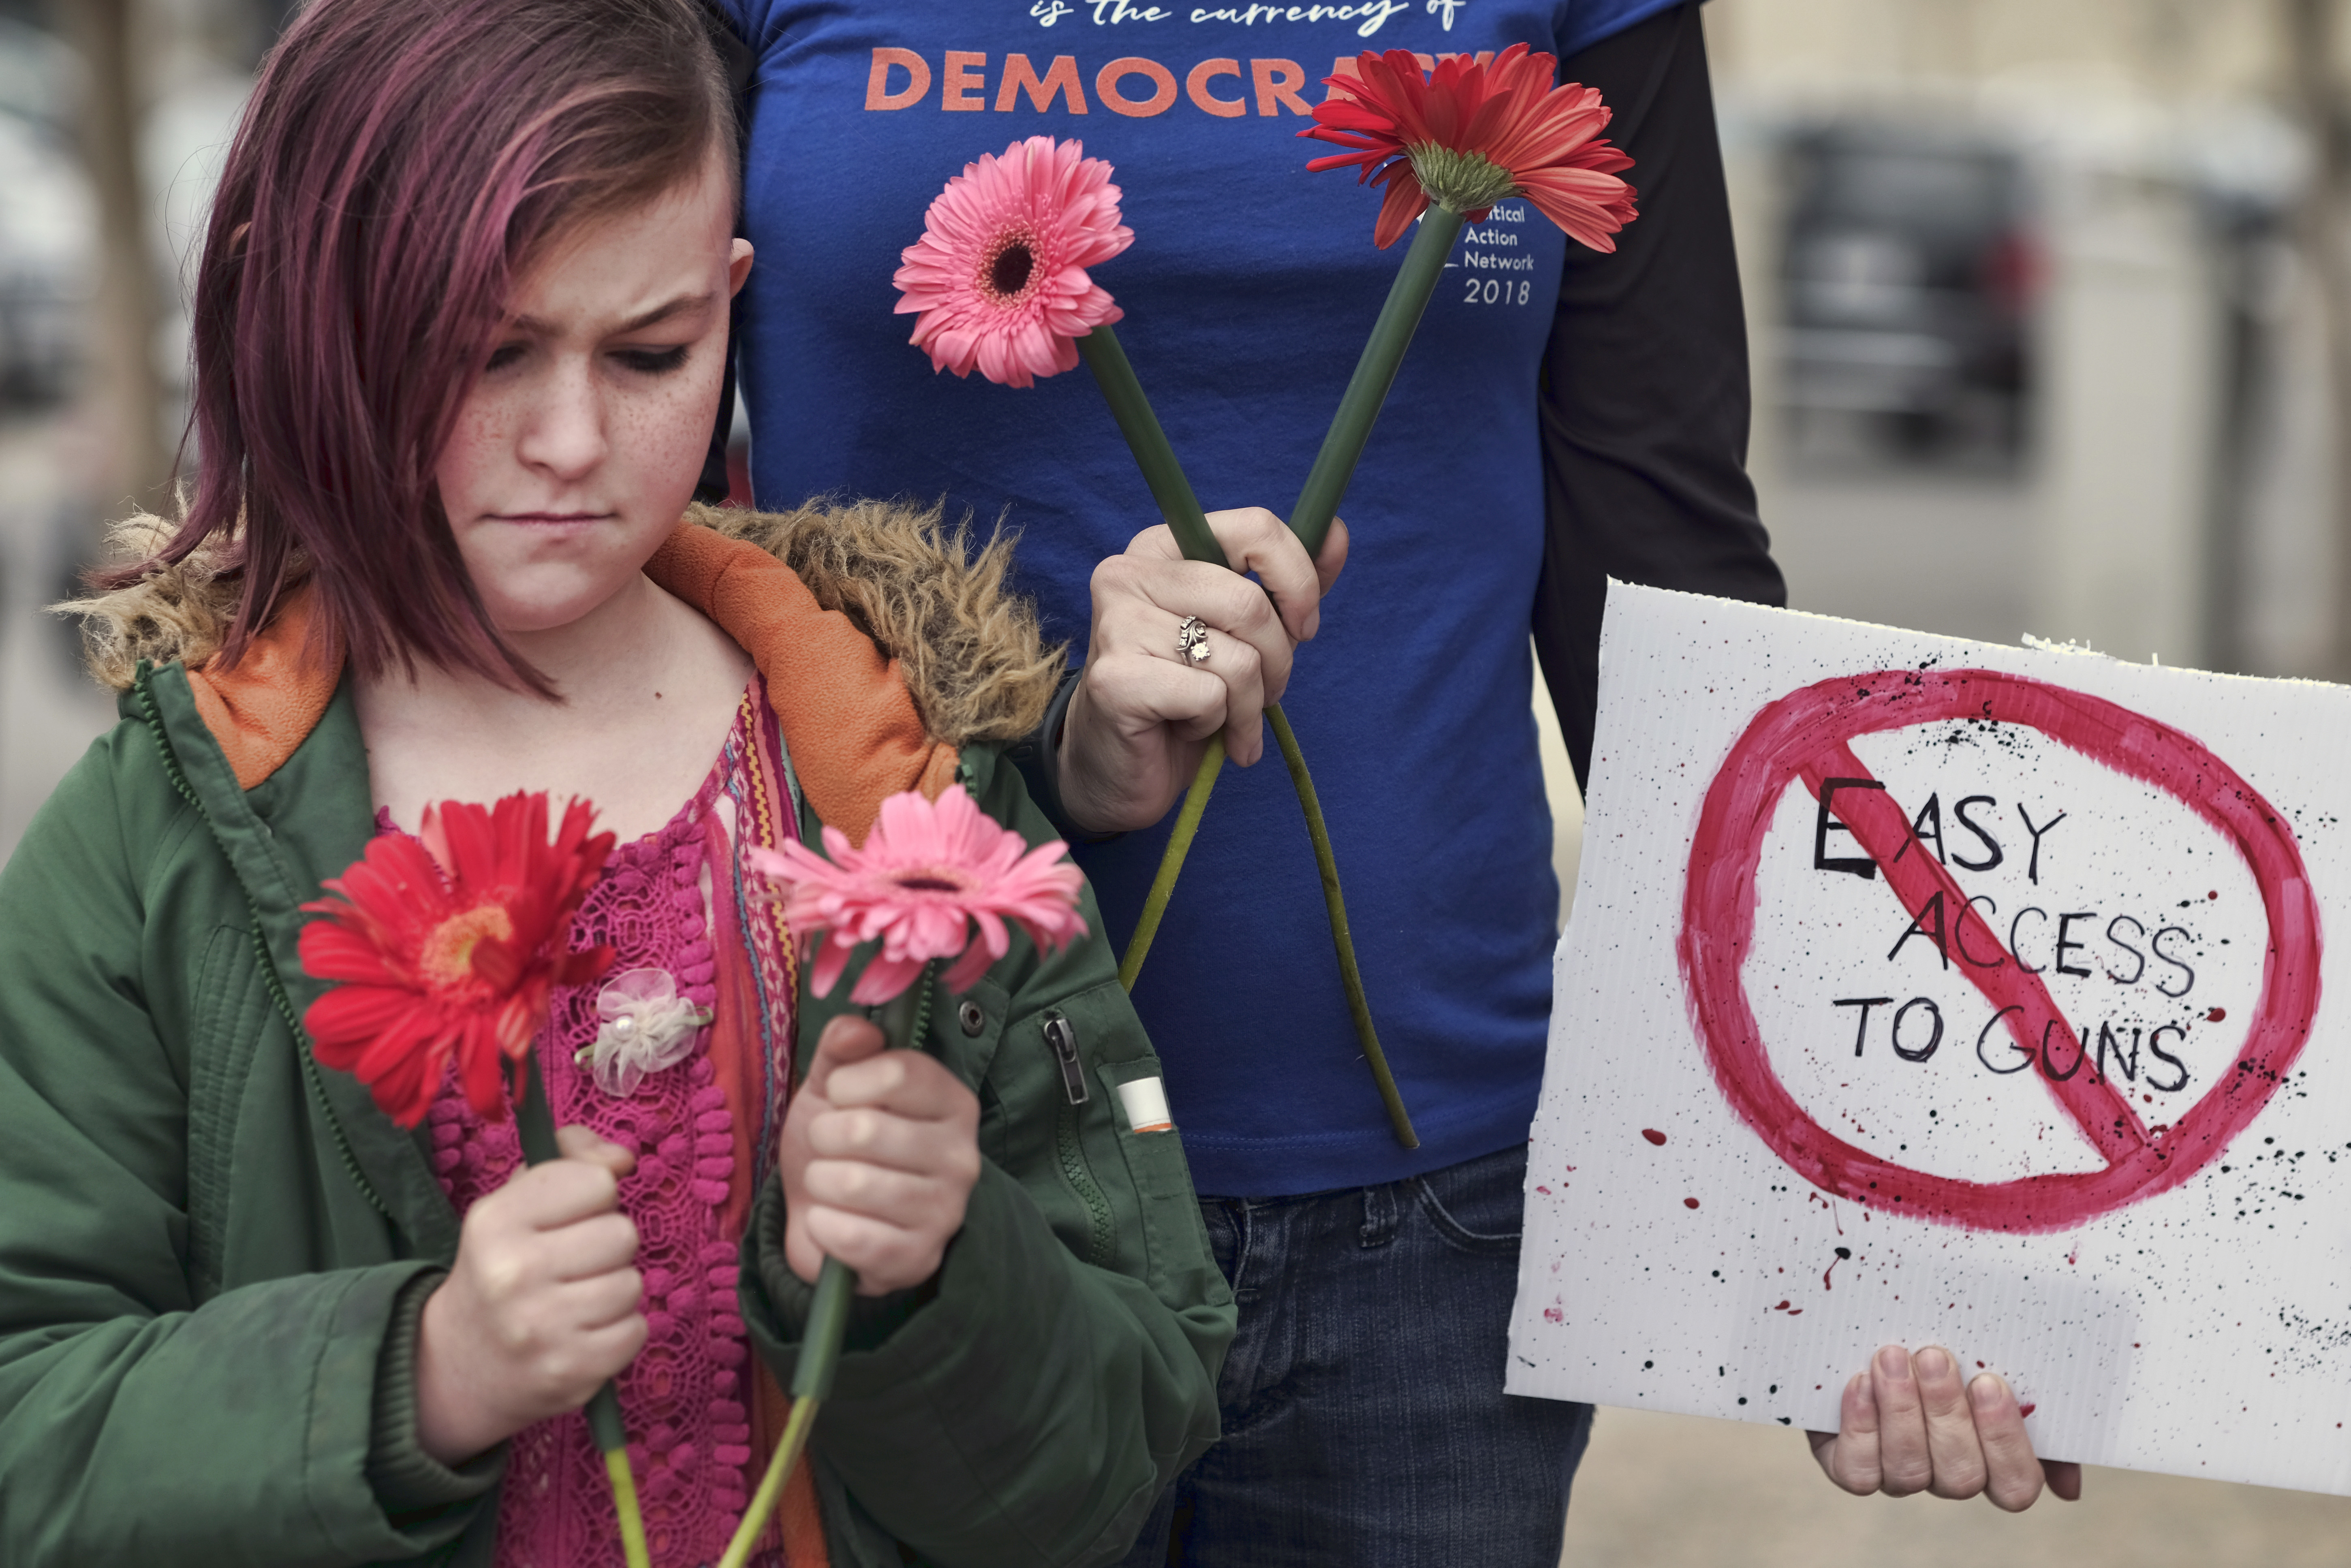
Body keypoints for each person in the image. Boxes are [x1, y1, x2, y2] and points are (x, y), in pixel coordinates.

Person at [711, 0, 2070, 1557]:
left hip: (1431, 1204)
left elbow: (1666, 566)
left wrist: (1846, 1193)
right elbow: (626, 498)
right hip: (909, 1146)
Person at [0, 2, 1231, 1564]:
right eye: (487, 351)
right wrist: (418, 1378)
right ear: (311, 311)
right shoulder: (158, 835)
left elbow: (1116, 1448)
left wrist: (937, 1276)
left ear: (730, 303)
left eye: (649, 352)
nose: (571, 441)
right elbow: (29, 1429)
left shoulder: (901, 783)